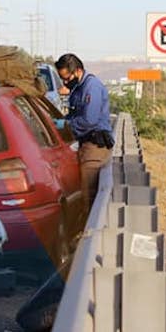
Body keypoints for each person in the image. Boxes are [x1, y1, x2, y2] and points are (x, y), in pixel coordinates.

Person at [54, 53, 113, 219]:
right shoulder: (78, 88)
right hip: (84, 145)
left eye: (67, 78)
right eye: (62, 79)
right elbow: (75, 115)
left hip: (95, 147)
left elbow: (89, 120)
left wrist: (65, 126)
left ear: (77, 70)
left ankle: (90, 237)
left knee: (90, 194)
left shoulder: (91, 87)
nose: (65, 82)